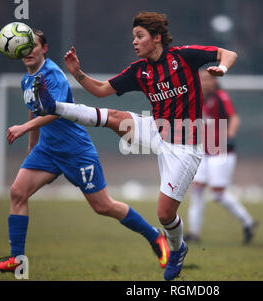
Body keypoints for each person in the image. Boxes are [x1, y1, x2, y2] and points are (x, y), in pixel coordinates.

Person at [32, 11, 238, 280]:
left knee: (164, 214)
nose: (135, 42)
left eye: (139, 36)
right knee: (113, 117)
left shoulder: (184, 57)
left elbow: (229, 53)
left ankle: (178, 249)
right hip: (156, 129)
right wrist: (78, 73)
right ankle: (53, 106)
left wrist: (221, 69)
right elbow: (102, 89)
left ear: (156, 38)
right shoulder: (139, 71)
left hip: (185, 146)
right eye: (133, 37)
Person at [0, 28, 170, 274]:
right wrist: (32, 146)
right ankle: (17, 259)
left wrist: (24, 127)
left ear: (44, 49)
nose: (28, 51)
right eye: (24, 47)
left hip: (75, 151)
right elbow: (35, 109)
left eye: (34, 46)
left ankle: (154, 236)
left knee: (103, 206)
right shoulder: (26, 81)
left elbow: (53, 111)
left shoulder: (53, 75)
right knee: (17, 193)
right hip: (47, 151)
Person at [184, 69, 257, 245]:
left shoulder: (221, 97)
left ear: (215, 82)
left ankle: (248, 222)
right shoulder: (195, 98)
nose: (206, 82)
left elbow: (234, 118)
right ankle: (194, 232)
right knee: (197, 190)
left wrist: (230, 135)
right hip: (202, 151)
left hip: (221, 152)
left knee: (217, 195)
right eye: (202, 79)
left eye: (209, 79)